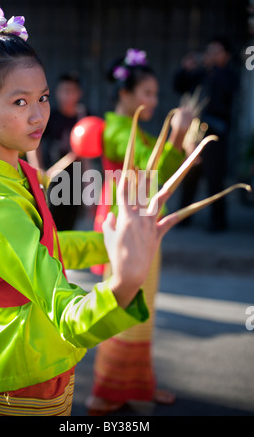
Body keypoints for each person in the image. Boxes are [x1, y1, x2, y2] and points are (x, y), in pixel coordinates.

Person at [0, 7, 182, 417]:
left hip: (43, 366)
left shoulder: (15, 172)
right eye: (20, 101)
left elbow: (52, 248)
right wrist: (121, 286)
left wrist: (111, 245)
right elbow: (62, 308)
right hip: (21, 382)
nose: (39, 114)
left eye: (41, 98)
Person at [86, 48, 195, 415]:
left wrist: (181, 143)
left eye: (155, 94)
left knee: (141, 310)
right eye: (146, 93)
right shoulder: (117, 132)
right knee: (126, 310)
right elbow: (154, 180)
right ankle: (105, 391)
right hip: (127, 234)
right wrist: (177, 140)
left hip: (143, 230)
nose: (153, 100)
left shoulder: (139, 134)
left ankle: (137, 385)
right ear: (125, 93)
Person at [173, 37, 239, 231]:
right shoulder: (199, 74)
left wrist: (213, 70)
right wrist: (185, 69)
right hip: (194, 131)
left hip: (215, 133)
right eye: (209, 51)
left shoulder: (228, 75)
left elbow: (226, 92)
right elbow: (179, 85)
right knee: (189, 173)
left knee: (214, 177)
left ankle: (218, 221)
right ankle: (183, 217)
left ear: (226, 55)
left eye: (216, 52)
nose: (210, 55)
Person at [27, 72, 87, 230]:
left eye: (72, 91)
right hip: (53, 178)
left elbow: (87, 156)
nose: (68, 96)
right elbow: (34, 143)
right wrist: (38, 169)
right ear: (58, 93)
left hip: (75, 180)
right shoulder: (49, 117)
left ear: (79, 93)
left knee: (69, 225)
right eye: (65, 91)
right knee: (50, 224)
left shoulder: (84, 118)